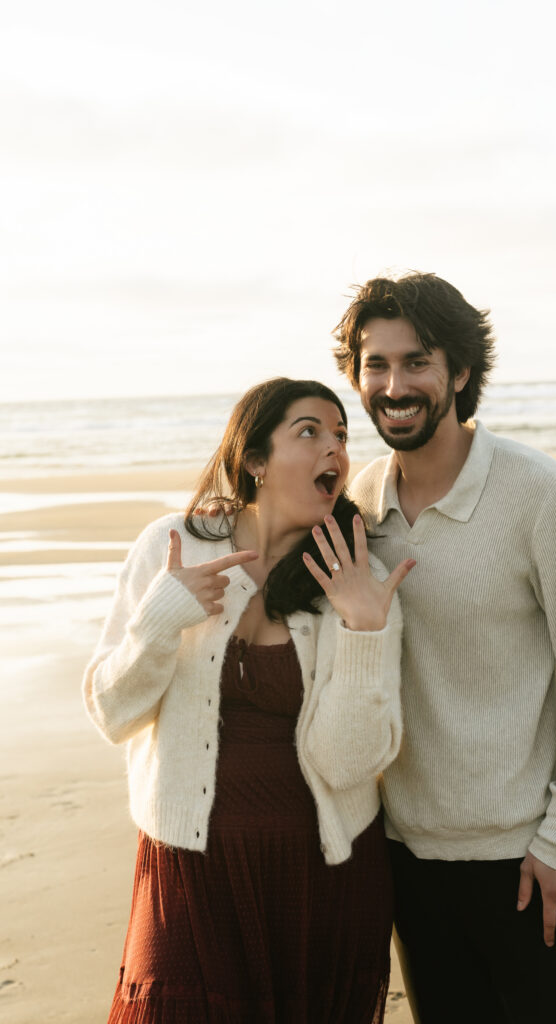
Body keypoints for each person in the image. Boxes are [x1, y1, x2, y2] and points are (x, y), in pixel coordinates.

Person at [333, 273, 556, 1024]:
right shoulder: (359, 508)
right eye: (376, 365)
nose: (394, 386)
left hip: (534, 862)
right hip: (411, 866)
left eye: (417, 362)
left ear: (461, 371)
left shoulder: (541, 495)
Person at [83, 377, 415, 1024]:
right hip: (189, 870)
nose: (335, 448)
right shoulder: (172, 546)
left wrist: (362, 631)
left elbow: (347, 763)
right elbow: (112, 712)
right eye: (309, 431)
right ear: (255, 459)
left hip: (323, 874)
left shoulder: (360, 577)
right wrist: (159, 621)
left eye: (341, 434)